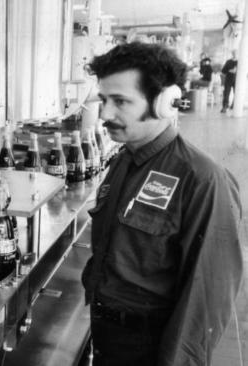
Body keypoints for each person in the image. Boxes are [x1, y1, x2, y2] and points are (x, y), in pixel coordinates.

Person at [83, 42, 242, 366]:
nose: (105, 114)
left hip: (152, 348)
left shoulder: (202, 180)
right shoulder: (125, 161)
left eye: (121, 102)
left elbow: (206, 300)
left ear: (164, 103)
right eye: (104, 100)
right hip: (106, 338)